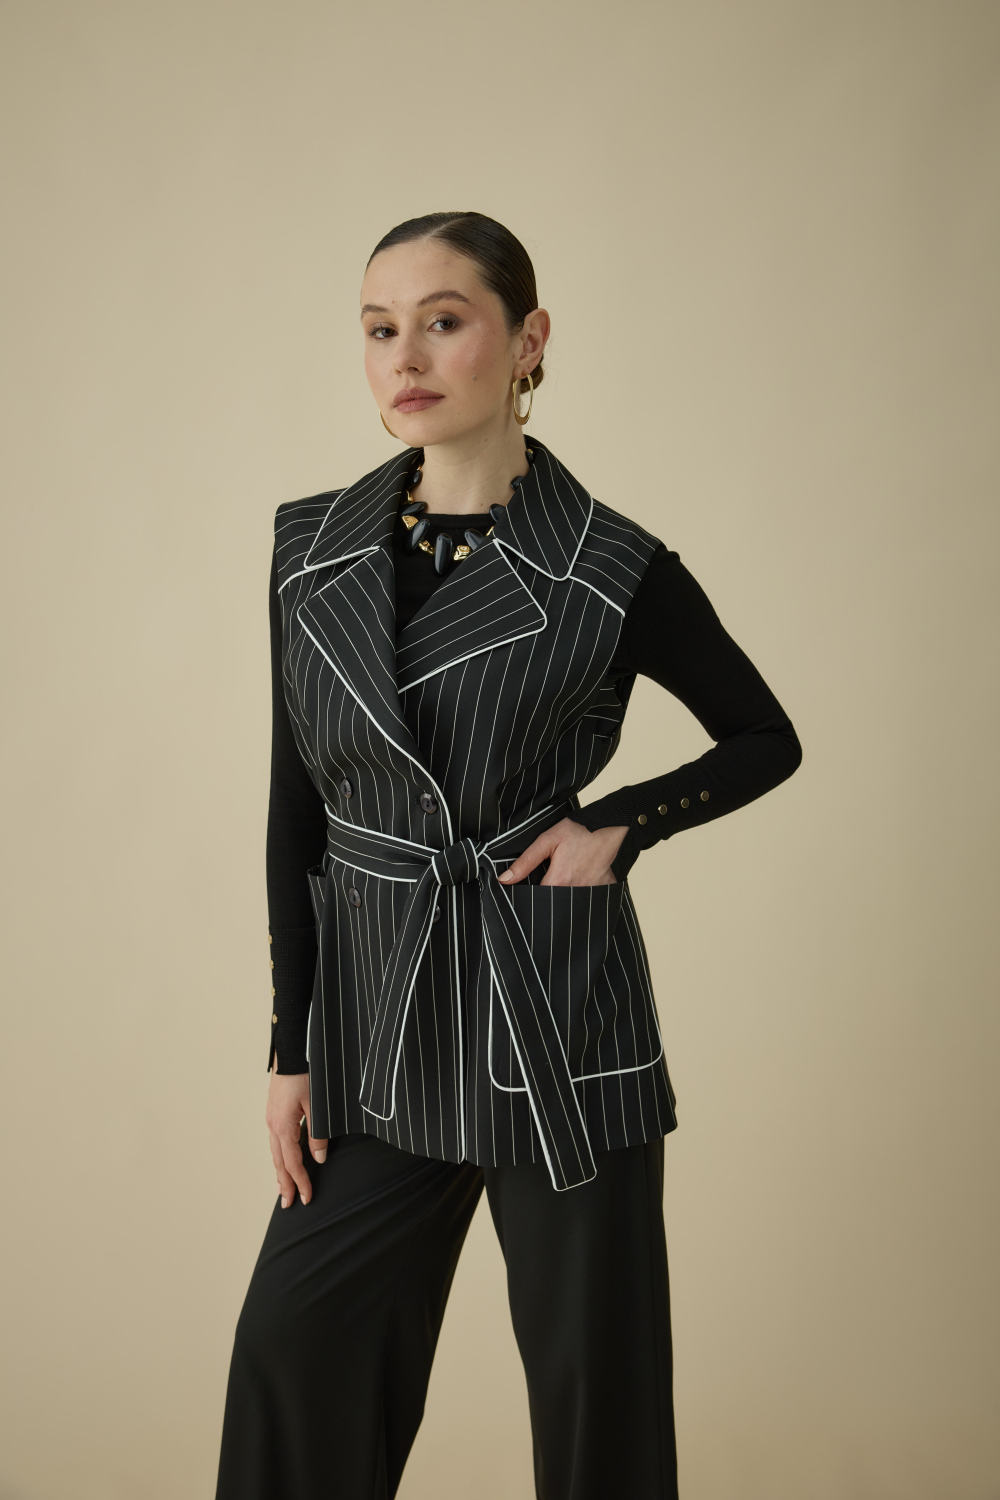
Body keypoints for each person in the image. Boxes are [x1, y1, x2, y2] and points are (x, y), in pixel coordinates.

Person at [215, 211, 801, 1500]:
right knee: (294, 1358)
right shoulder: (309, 549)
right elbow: (294, 810)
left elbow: (766, 737)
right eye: (381, 328)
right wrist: (290, 1045)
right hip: (378, 1019)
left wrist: (622, 826)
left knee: (597, 1398)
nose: (406, 355)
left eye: (445, 320)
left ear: (528, 340)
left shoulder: (611, 566)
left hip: (555, 1009)